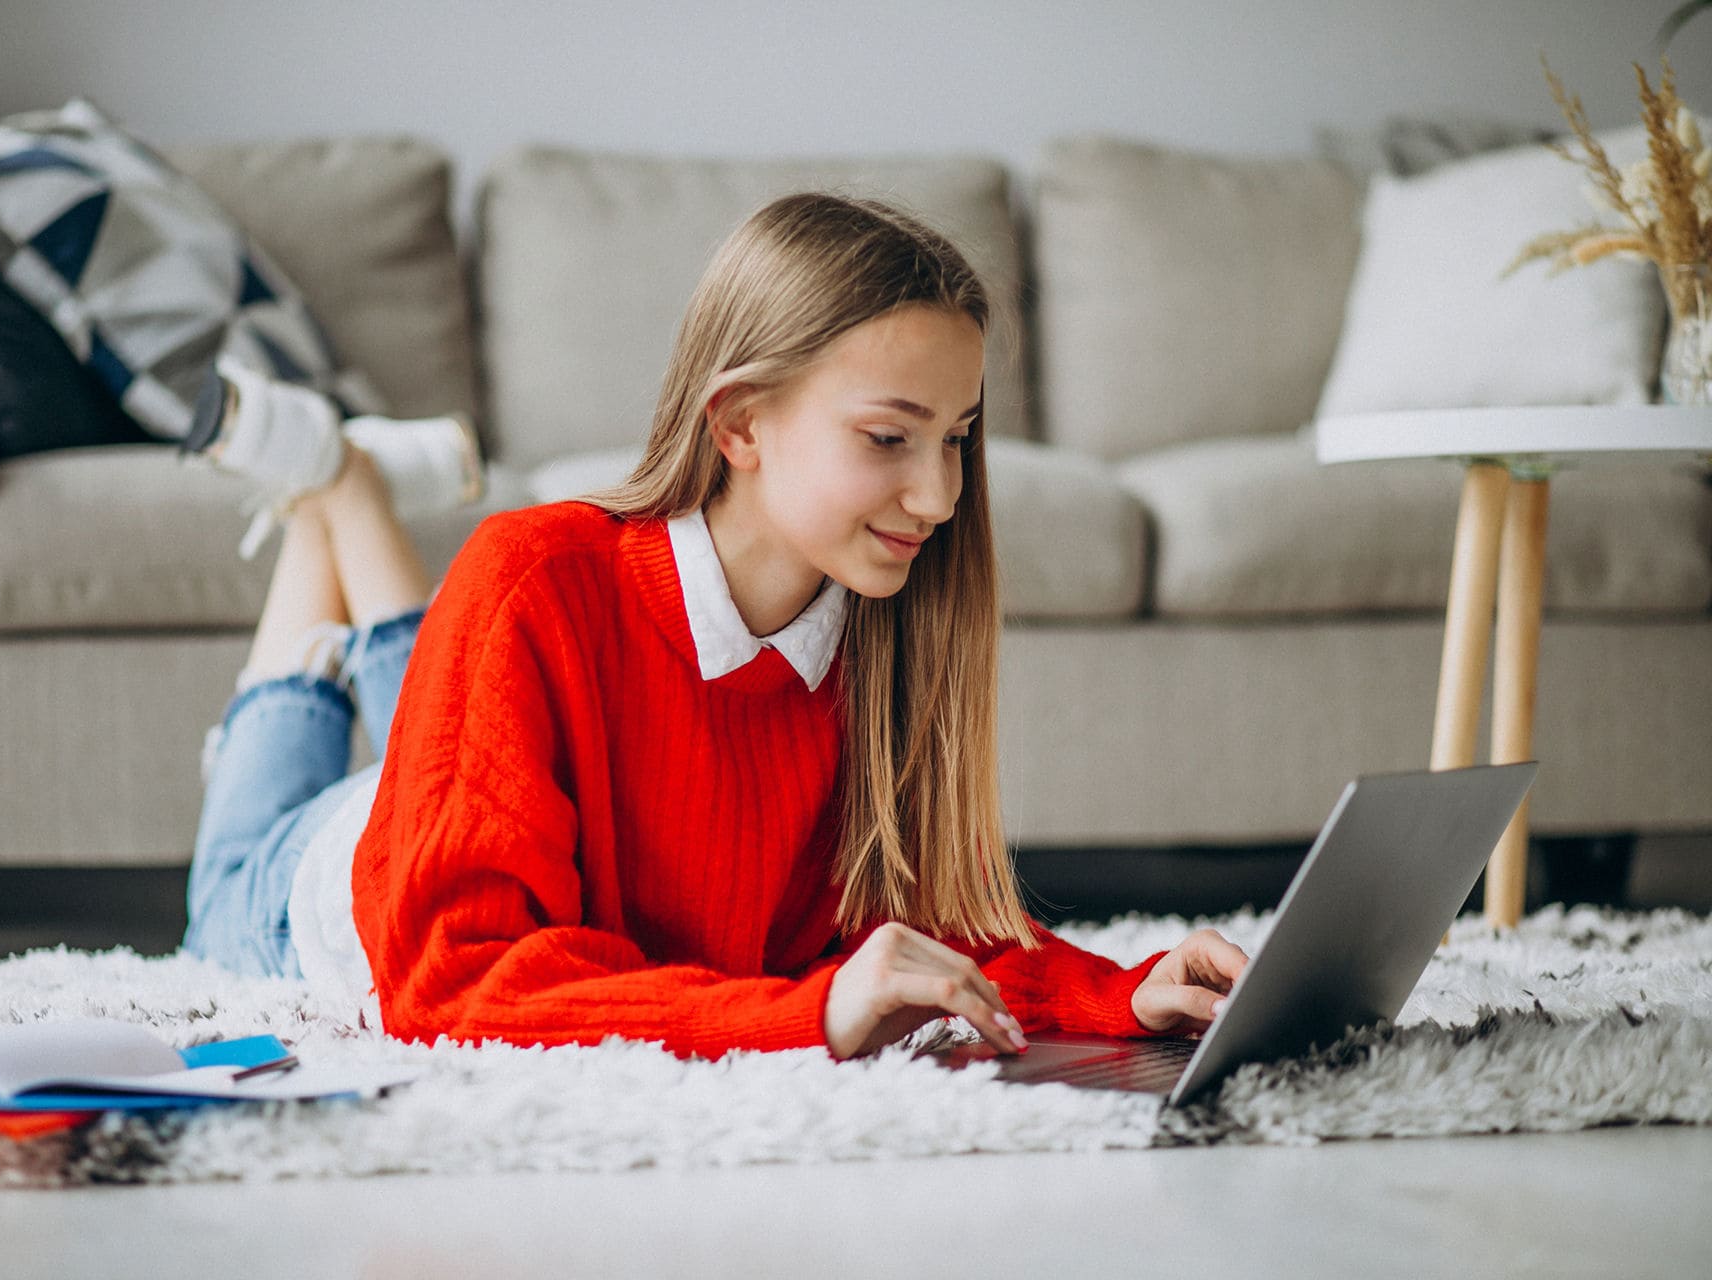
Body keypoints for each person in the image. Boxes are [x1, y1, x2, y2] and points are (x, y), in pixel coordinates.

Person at [181, 192, 1248, 1061]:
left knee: (444, 682)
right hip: (326, 885)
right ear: (739, 423)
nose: (938, 496)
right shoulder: (532, 577)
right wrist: (800, 1015)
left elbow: (911, 925)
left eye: (959, 438)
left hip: (501, 801)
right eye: (889, 436)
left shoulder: (875, 614)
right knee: (217, 888)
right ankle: (338, 493)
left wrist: (1118, 987)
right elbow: (453, 979)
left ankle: (337, 490)